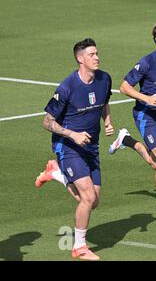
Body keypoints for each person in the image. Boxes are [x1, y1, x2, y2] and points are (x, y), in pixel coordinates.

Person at [35, 38, 113, 260]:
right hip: (68, 146)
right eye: (91, 54)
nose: (97, 57)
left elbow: (104, 102)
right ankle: (79, 247)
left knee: (93, 201)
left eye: (97, 53)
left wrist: (107, 121)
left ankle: (56, 173)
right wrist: (73, 135)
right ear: (80, 59)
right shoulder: (67, 86)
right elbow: (47, 122)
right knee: (87, 197)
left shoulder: (104, 79)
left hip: (92, 146)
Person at [109, 20, 156, 216]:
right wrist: (146, 98)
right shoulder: (146, 63)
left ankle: (126, 140)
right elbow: (124, 86)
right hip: (146, 115)